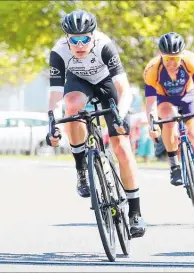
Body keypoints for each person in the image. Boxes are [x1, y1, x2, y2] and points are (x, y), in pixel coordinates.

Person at [45, 10, 146, 237]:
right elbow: (55, 95)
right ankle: (81, 167)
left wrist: (119, 117)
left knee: (122, 147)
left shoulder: (105, 46)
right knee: (72, 107)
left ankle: (135, 212)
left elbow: (124, 90)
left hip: (107, 84)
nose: (80, 45)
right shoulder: (58, 52)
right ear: (66, 39)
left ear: (93, 36)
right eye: (74, 40)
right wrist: (52, 124)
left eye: (85, 39)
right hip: (78, 83)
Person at [143, 32, 194, 203]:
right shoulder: (152, 69)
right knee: (167, 117)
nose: (171, 63)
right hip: (165, 99)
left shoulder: (190, 60)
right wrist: (152, 124)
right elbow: (150, 102)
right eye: (167, 59)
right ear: (160, 55)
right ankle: (174, 165)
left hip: (189, 96)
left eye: (175, 59)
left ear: (182, 55)